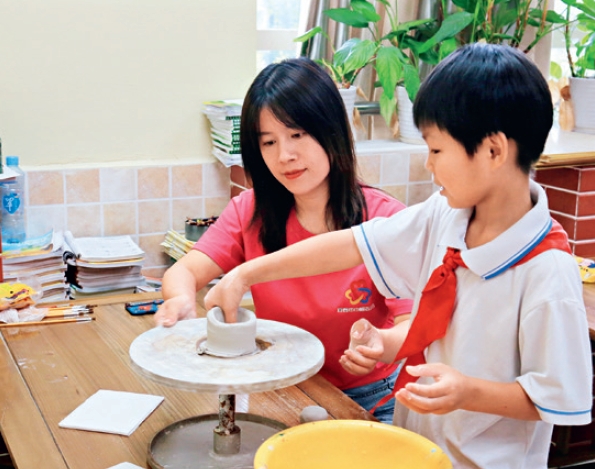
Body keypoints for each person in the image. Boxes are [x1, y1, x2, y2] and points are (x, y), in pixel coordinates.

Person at [203, 44, 593, 468]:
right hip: (416, 449)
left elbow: (559, 398)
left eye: (437, 150)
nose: (428, 165)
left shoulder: (547, 272)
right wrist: (245, 275)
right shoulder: (443, 217)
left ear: (494, 152)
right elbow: (351, 244)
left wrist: (467, 392)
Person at [154, 57, 412, 423]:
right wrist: (180, 299)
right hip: (281, 388)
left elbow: (413, 326)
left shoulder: (386, 218)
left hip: (368, 398)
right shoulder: (249, 210)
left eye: (297, 135)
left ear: (331, 131)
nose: (285, 156)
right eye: (269, 142)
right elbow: (185, 271)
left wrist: (381, 345)